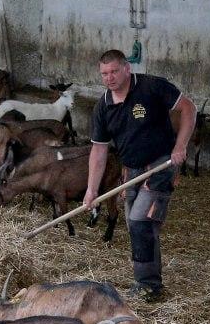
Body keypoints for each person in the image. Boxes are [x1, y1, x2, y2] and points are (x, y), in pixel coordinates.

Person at [83, 50, 196, 300]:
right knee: (137, 226)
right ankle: (144, 280)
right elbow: (99, 151)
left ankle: (149, 286)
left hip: (160, 166)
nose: (109, 78)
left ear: (127, 69)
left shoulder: (152, 87)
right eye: (104, 73)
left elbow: (189, 108)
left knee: (140, 222)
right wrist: (91, 189)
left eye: (114, 71)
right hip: (130, 170)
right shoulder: (103, 106)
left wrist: (181, 145)